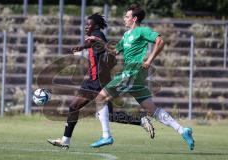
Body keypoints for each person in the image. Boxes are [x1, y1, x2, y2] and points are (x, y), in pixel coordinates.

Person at [88, 4, 195, 151]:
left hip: (133, 71)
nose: (124, 18)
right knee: (151, 109)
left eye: (127, 16)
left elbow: (160, 41)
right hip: (134, 75)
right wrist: (100, 42)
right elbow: (114, 51)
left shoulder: (142, 31)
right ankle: (183, 130)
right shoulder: (126, 35)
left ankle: (106, 136)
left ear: (134, 18)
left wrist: (149, 60)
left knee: (100, 98)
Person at [47, 13, 155, 149]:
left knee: (75, 107)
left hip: (98, 81)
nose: (86, 26)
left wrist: (82, 46)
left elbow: (93, 41)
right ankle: (140, 120)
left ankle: (66, 140)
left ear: (96, 26)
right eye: (86, 24)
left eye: (89, 24)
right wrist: (83, 47)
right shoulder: (93, 36)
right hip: (92, 80)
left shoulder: (98, 35)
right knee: (107, 115)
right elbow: (90, 43)